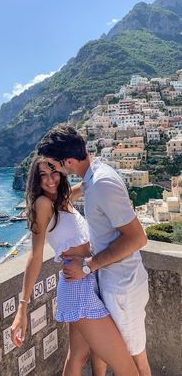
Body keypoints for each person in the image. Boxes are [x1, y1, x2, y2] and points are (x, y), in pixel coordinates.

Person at [37, 124, 151, 376]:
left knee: (134, 362)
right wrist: (46, 200)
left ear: (68, 161)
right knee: (104, 357)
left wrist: (88, 265)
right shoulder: (93, 177)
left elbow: (137, 238)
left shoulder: (101, 183)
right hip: (111, 281)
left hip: (123, 285)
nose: (56, 173)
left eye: (56, 167)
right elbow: (72, 195)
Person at [11, 155, 139, 376]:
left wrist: (89, 159)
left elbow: (89, 182)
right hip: (77, 287)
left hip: (86, 277)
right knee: (126, 367)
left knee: (78, 357)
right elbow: (35, 254)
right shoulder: (43, 204)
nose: (50, 180)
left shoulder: (63, 199)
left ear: (61, 172)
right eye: (43, 175)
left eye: (54, 172)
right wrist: (22, 308)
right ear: (36, 180)